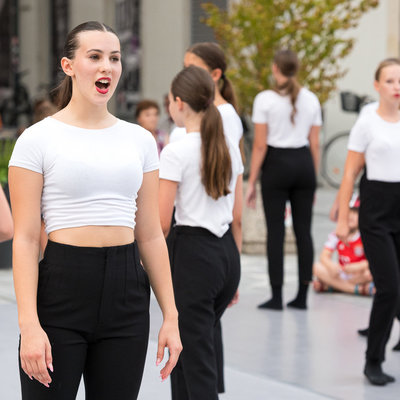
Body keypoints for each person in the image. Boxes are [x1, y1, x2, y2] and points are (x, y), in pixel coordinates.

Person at [8, 21, 182, 399]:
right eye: (95, 57)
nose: (107, 67)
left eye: (115, 58)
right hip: (61, 289)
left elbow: (151, 233)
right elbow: (22, 238)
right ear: (68, 66)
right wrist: (30, 325)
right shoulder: (36, 140)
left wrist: (170, 314)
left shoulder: (139, 140)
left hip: (126, 292)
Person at [159, 65, 243, 400]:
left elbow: (162, 222)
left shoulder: (176, 151)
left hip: (193, 257)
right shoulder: (229, 147)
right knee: (187, 353)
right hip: (225, 256)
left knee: (196, 362)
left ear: (179, 103)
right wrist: (232, 270)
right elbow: (237, 216)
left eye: (169, 102)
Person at [336, 57, 400, 386]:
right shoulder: (367, 121)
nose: (397, 86)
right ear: (377, 86)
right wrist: (343, 216)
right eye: (390, 81)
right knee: (388, 286)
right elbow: (350, 172)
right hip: (376, 214)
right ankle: (373, 360)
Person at [245, 49, 321, 310]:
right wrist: (314, 178)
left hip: (276, 166)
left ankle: (276, 296)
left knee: (275, 233)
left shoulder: (264, 99)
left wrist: (252, 180)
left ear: (275, 68)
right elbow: (315, 143)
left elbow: (260, 146)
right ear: (296, 69)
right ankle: (302, 295)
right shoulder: (311, 99)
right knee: (304, 233)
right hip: (303, 165)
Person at [313, 196, 374, 295]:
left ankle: (333, 286)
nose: (351, 216)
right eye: (348, 212)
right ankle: (358, 290)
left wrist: (358, 266)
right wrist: (331, 266)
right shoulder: (337, 234)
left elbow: (373, 260)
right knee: (316, 267)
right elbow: (324, 256)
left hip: (357, 274)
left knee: (370, 273)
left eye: (355, 213)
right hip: (341, 272)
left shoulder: (365, 235)